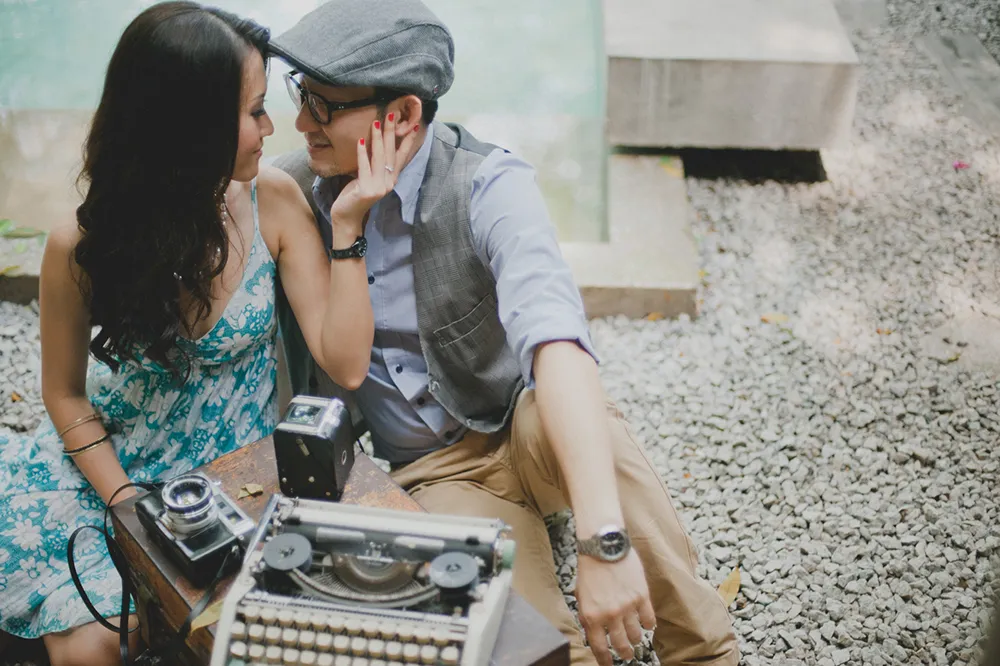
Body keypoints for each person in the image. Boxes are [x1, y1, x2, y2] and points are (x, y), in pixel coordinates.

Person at [268, 1, 741, 664]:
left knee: (584, 426)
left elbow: (557, 342)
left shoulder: (488, 183)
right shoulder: (293, 196)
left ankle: (706, 651)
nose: (299, 122)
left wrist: (604, 542)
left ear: (401, 114)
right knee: (524, 642)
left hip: (524, 427)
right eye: (301, 96)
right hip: (432, 475)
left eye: (324, 105)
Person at [0, 3, 411, 665]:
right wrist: (126, 505)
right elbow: (65, 395)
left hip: (232, 483)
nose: (271, 127)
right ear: (186, 125)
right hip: (107, 473)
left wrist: (348, 227)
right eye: (252, 111)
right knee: (98, 641)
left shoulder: (272, 201)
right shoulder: (79, 243)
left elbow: (347, 362)